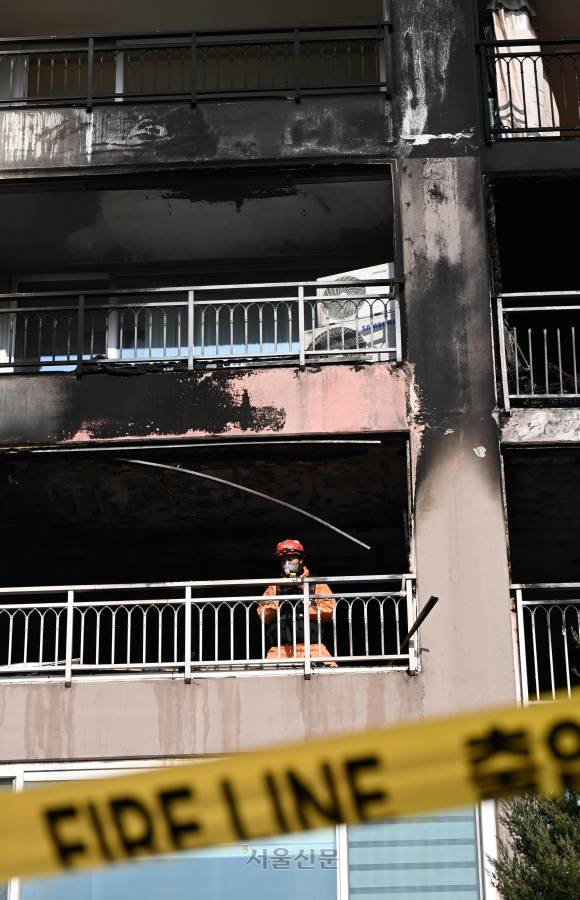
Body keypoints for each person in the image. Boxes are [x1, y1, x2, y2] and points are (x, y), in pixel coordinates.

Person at [257, 539, 337, 666]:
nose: (287, 564)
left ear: (301, 560)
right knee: (265, 679)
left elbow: (330, 611)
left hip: (313, 648)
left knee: (333, 675)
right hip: (279, 650)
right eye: (283, 561)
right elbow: (263, 615)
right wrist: (279, 602)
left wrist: (305, 605)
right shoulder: (274, 587)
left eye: (290, 559)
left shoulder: (316, 584)